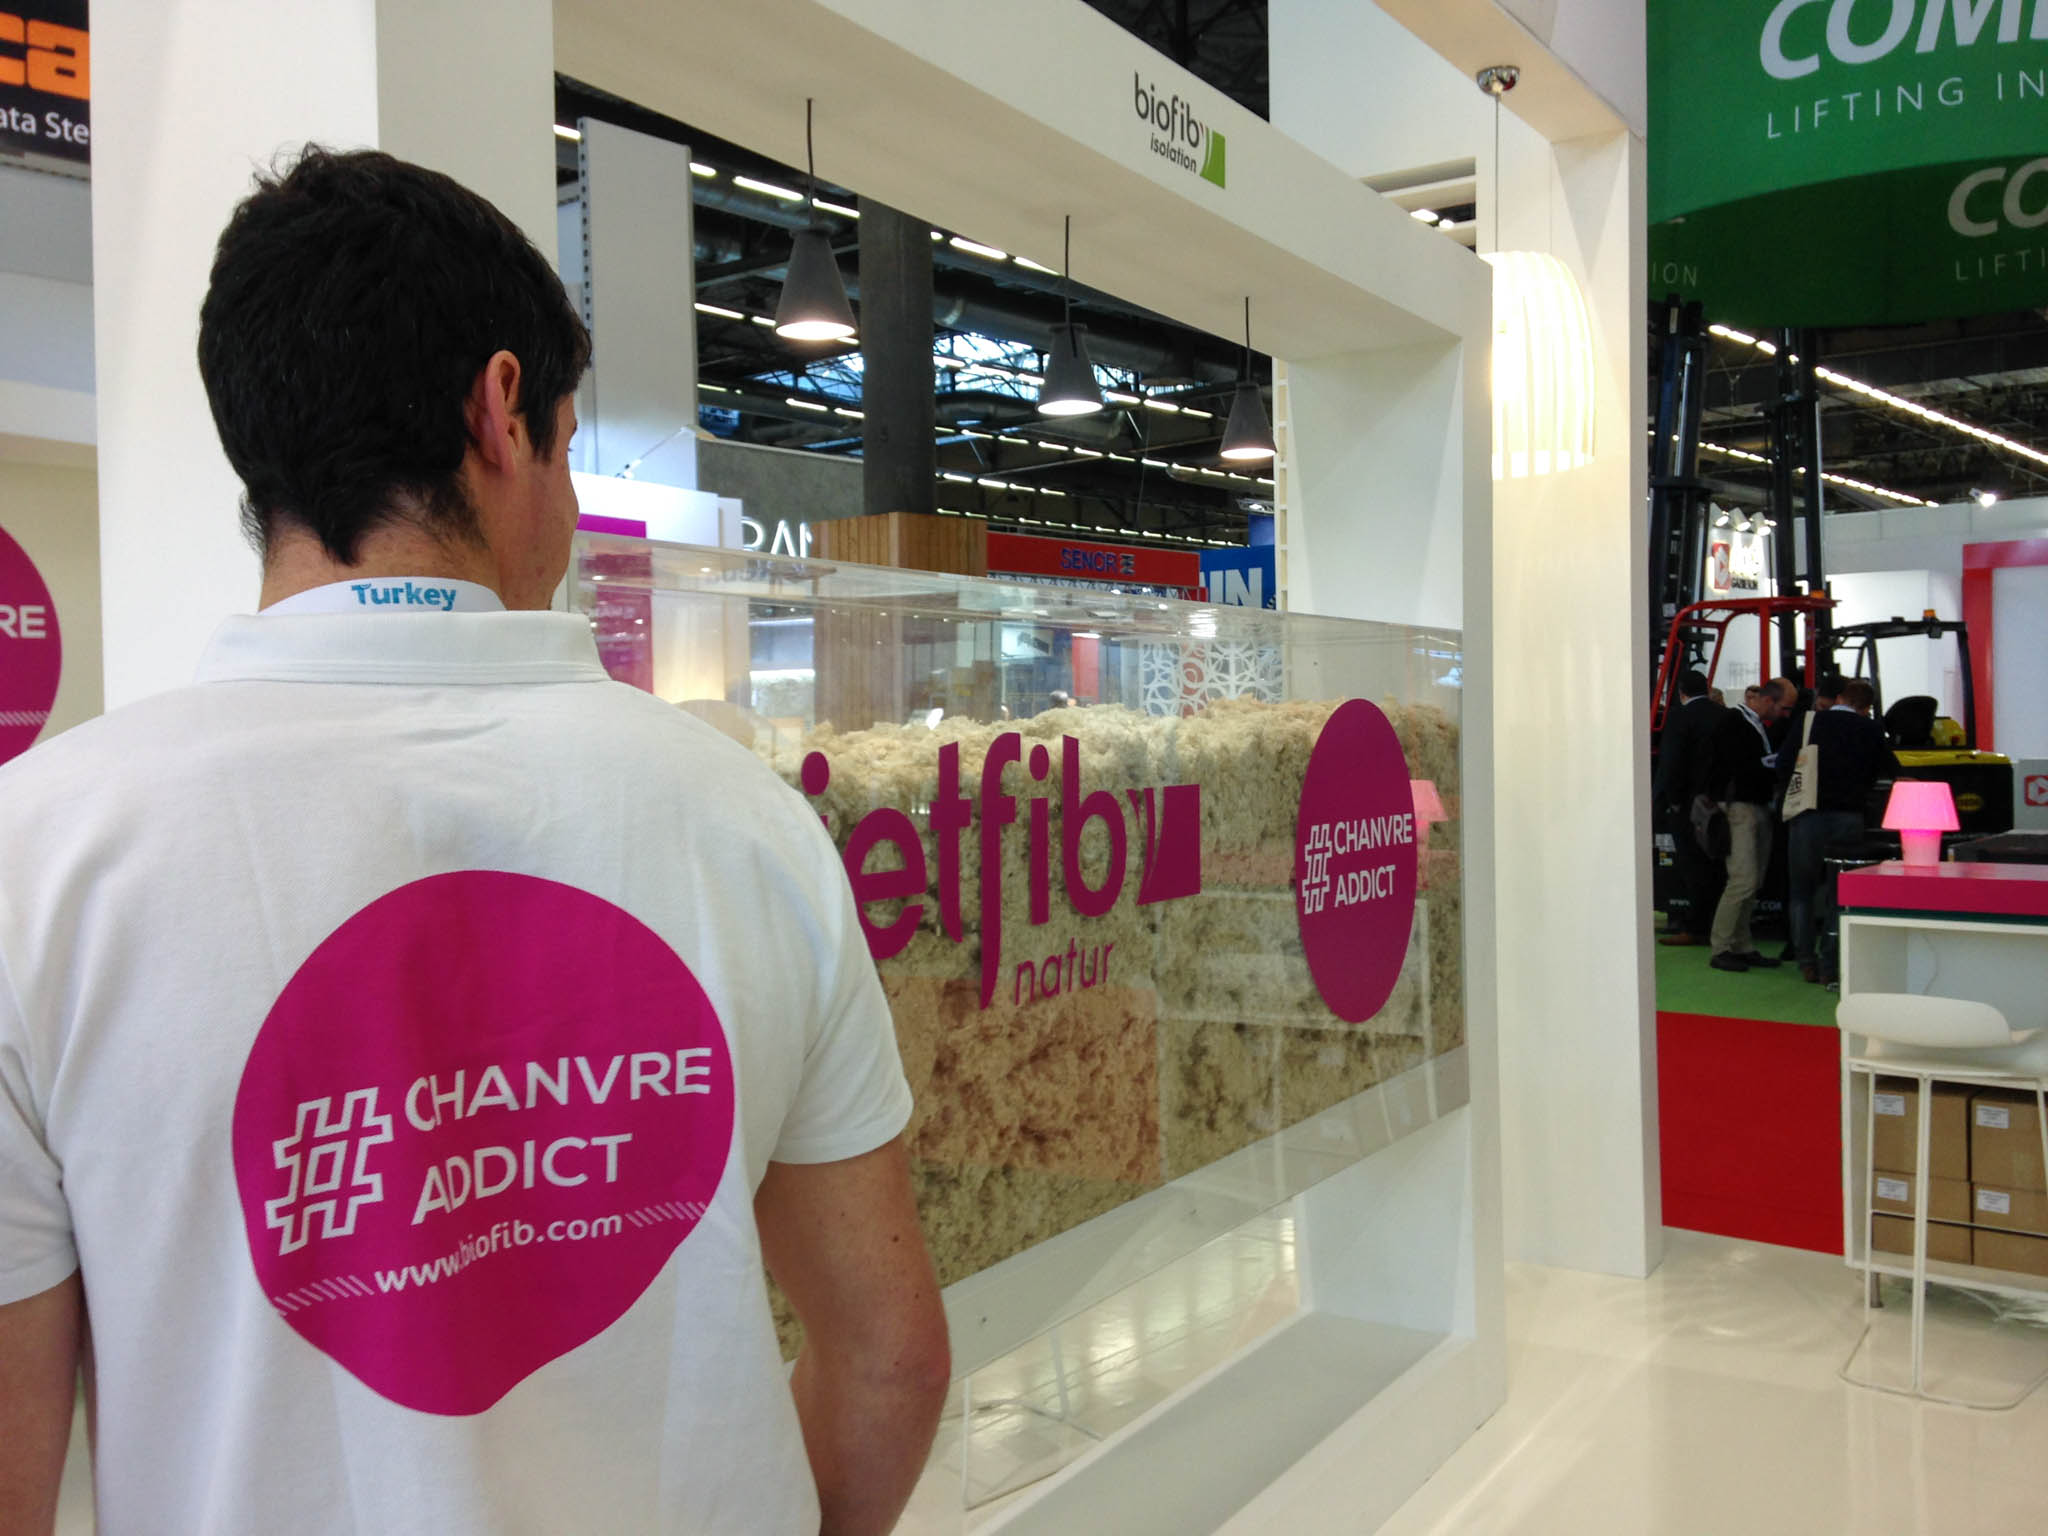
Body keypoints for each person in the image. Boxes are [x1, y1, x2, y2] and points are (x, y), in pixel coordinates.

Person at [0, 149, 948, 1536]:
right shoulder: (746, 821)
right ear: (502, 413)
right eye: (569, 439)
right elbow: (888, 1359)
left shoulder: (37, 860)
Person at [1784, 679, 1900, 985]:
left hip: (1807, 814)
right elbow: (1890, 769)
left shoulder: (1809, 722)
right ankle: (1830, 964)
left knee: (1801, 892)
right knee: (1840, 894)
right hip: (1849, 817)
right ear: (1865, 707)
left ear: (1839, 698)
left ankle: (1805, 961)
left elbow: (1784, 764)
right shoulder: (1870, 729)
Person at [1706, 677, 1795, 972]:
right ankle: (1721, 947)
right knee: (1743, 880)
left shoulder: (1753, 724)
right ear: (1768, 700)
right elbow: (1736, 766)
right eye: (1784, 708)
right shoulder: (1733, 723)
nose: (1785, 714)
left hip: (1754, 806)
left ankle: (1741, 945)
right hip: (1739, 807)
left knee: (1752, 881)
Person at [1654, 668, 1725, 946]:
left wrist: (1671, 801)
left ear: (1681, 691)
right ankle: (1716, 924)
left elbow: (1671, 762)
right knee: (1715, 866)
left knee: (1692, 866)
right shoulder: (1724, 716)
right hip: (1719, 803)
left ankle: (1695, 927)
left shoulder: (1679, 718)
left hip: (1687, 805)